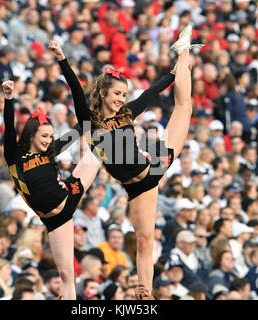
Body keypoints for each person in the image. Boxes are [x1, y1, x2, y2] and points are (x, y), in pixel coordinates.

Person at [48, 23, 198, 299]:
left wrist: (171, 77)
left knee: (184, 107)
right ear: (103, 93)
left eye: (123, 95)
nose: (121, 99)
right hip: (137, 186)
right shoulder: (88, 122)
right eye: (117, 94)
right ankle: (144, 291)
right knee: (143, 240)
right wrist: (62, 59)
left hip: (153, 167)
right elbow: (74, 90)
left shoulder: (126, 113)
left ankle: (183, 51)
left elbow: (150, 94)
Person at [2, 79, 100, 300]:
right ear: (31, 135)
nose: (48, 141)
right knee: (66, 273)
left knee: (94, 157)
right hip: (54, 220)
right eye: (44, 136)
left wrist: (89, 117)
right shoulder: (15, 156)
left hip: (67, 197)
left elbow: (77, 130)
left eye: (50, 136)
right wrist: (9, 99)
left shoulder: (50, 151)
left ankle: (113, 132)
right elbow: (9, 127)